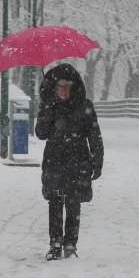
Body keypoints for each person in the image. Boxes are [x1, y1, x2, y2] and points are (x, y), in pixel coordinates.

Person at [34, 62, 103, 259]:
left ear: (73, 87)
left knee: (74, 203)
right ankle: (55, 243)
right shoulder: (49, 106)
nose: (64, 90)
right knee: (55, 202)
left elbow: (94, 135)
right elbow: (40, 134)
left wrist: (97, 160)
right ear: (54, 88)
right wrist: (46, 112)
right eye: (60, 86)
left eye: (67, 86)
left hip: (78, 160)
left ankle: (71, 244)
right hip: (54, 160)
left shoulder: (85, 107)